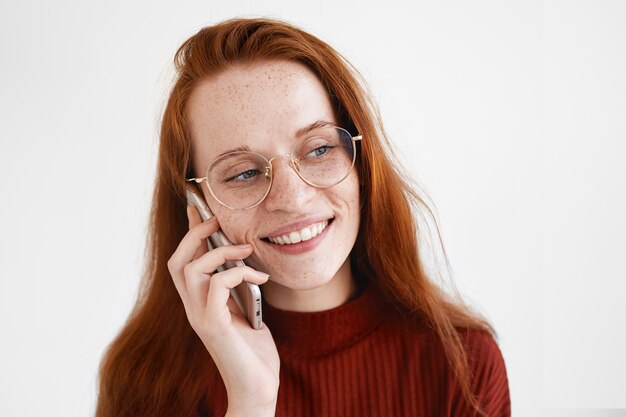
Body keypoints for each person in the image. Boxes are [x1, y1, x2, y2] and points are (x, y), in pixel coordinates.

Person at [96, 18, 511, 417]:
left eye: (318, 150)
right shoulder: (144, 379)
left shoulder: (462, 363)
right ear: (199, 204)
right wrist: (250, 403)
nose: (292, 199)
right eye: (242, 173)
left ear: (361, 164)